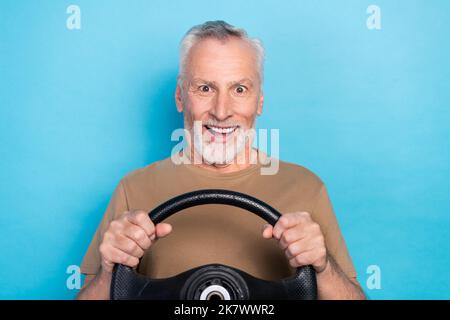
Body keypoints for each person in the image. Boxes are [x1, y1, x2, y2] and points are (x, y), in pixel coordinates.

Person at [76, 20, 366, 300]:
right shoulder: (133, 189)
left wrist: (323, 267)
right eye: (205, 88)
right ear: (180, 96)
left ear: (259, 102)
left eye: (239, 89)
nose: (222, 111)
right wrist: (108, 272)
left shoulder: (306, 188)